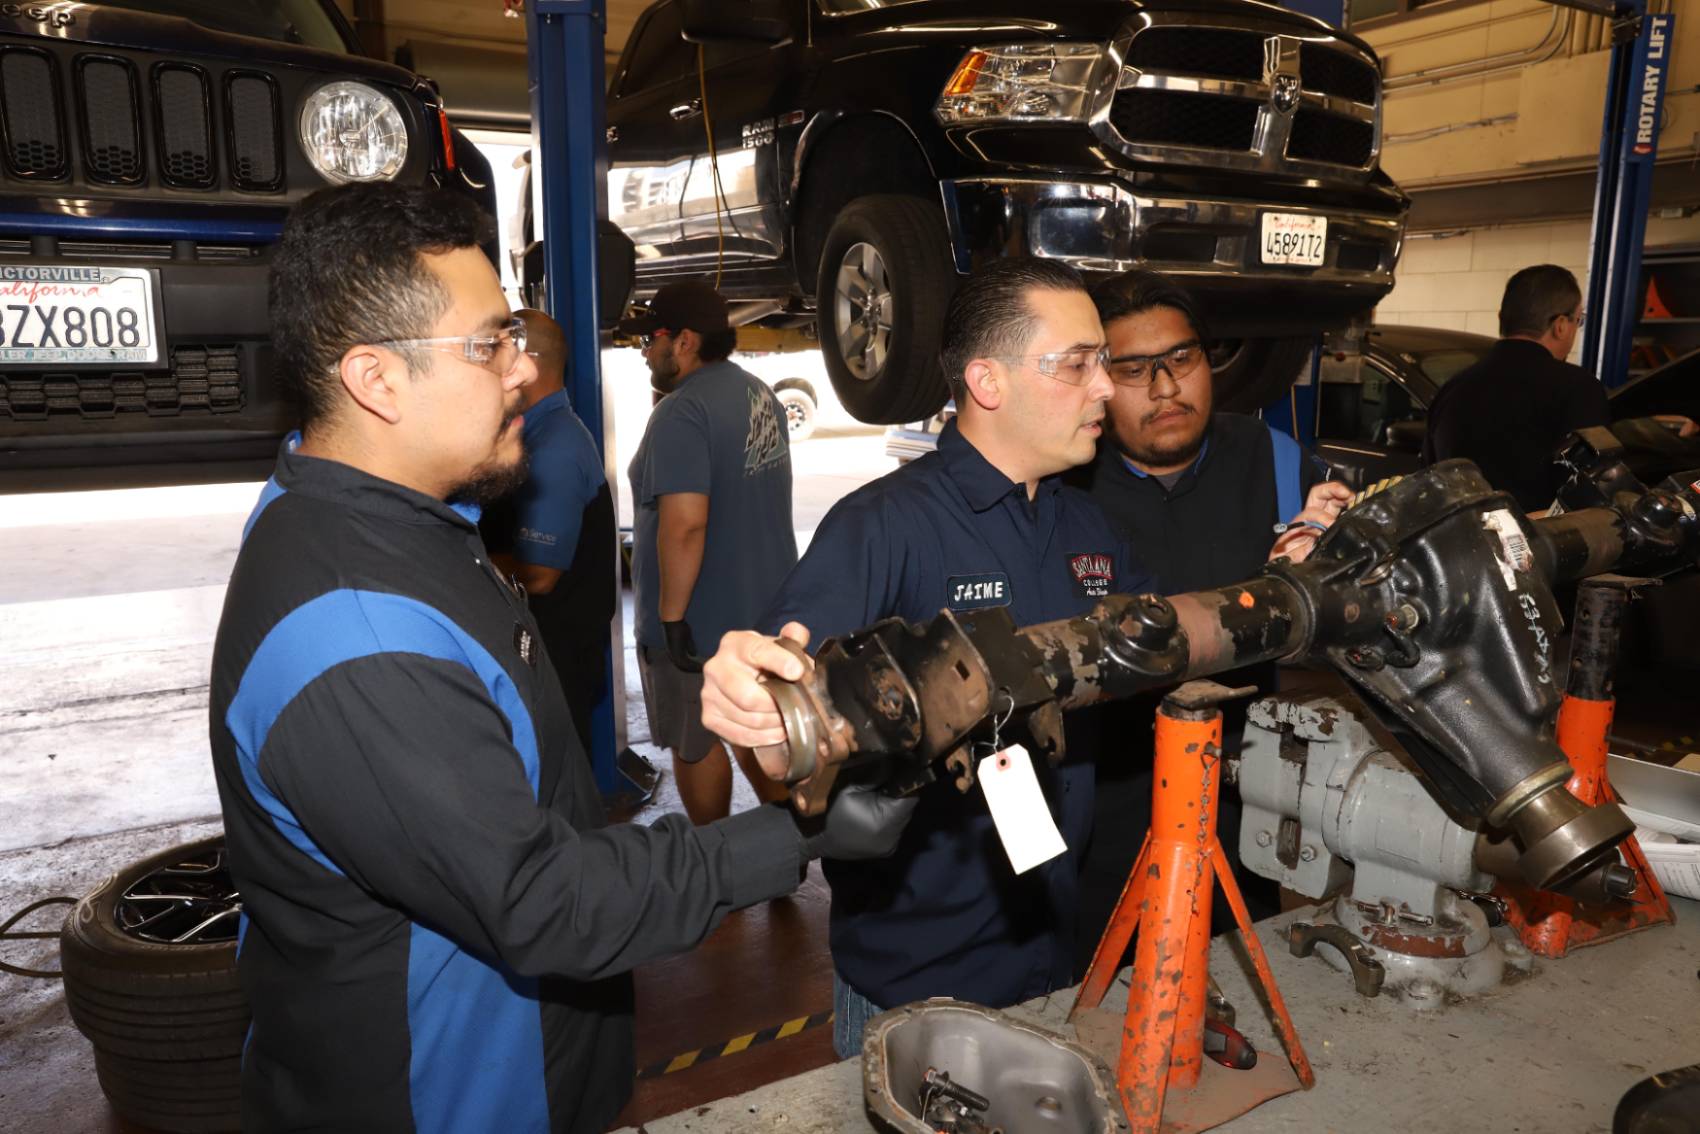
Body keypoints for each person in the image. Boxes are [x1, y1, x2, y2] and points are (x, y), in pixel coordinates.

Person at [208, 183, 914, 1133]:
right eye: (490, 344)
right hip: (449, 1100)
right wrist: (794, 839)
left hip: (533, 1064)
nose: (521, 371)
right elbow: (541, 901)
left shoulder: (401, 514)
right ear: (375, 381)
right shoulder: (356, 641)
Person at [702, 257, 1155, 1059]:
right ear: (988, 380)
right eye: (1078, 364)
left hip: (1058, 947)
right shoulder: (881, 528)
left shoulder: (1093, 532)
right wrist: (764, 720)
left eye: (1104, 364)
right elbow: (781, 720)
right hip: (917, 982)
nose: (1106, 389)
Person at [1066, 269, 1351, 975]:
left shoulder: (1276, 462)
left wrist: (1334, 538)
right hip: (1097, 815)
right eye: (1134, 369)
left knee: (1236, 988)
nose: (1166, 388)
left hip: (1239, 809)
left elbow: (1347, 601)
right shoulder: (1065, 480)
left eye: (1183, 359)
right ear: (1099, 379)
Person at [621, 280, 798, 824]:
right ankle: (786, 848)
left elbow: (684, 526)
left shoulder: (682, 411)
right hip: (763, 610)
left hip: (700, 625)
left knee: (695, 741)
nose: (646, 350)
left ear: (685, 341)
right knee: (755, 732)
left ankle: (714, 863)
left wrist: (671, 619)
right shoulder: (758, 393)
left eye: (652, 337)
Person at [478, 307, 614, 759]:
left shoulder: (552, 449)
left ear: (524, 359)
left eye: (494, 353)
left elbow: (538, 575)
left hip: (558, 660)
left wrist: (462, 562)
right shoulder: (538, 433)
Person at [1422, 265, 1607, 514]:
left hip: (1459, 547)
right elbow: (1587, 492)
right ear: (1561, 325)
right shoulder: (1580, 389)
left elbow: (1429, 479)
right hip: (1543, 547)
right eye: (1578, 320)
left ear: (1501, 318)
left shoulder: (1451, 389)